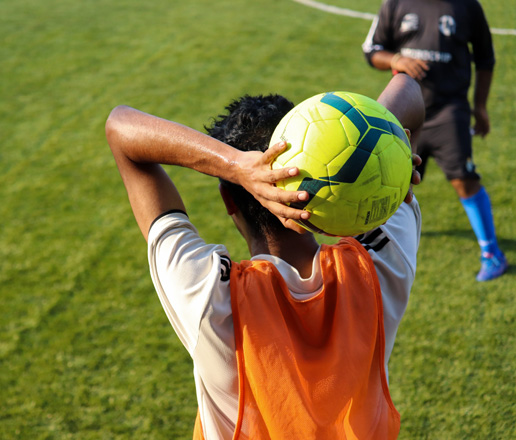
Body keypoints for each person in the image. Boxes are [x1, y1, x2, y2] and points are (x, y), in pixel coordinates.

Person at [106, 74, 424, 439]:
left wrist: (234, 166)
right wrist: (388, 149)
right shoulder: (380, 264)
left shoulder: (210, 295)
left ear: (229, 202)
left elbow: (121, 127)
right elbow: (408, 87)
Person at [362, 0, 507, 281]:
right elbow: (371, 51)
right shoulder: (395, 3)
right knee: (388, 182)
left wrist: (480, 107)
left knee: (463, 178)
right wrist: (396, 60)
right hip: (404, 111)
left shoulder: (467, 7)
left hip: (449, 112)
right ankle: (365, 253)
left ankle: (492, 254)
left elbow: (486, 58)